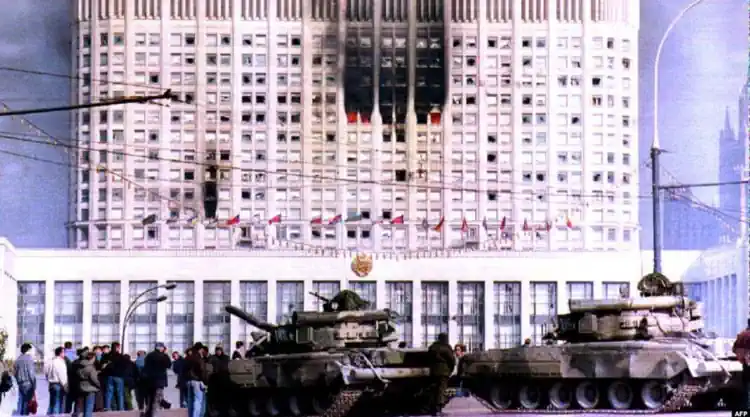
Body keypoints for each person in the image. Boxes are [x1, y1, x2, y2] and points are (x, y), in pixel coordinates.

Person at [426, 333, 455, 416]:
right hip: (444, 371)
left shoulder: (432, 347)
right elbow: (452, 360)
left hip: (433, 371)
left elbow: (428, 358)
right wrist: (450, 370)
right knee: (441, 390)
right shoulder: (446, 347)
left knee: (433, 389)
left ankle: (432, 409)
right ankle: (438, 410)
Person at [142, 342, 172, 417]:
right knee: (157, 399)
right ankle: (154, 415)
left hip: (149, 381)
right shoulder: (163, 356)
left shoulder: (149, 355)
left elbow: (145, 367)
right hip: (159, 381)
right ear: (161, 348)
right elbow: (169, 365)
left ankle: (148, 414)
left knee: (150, 399)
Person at [184, 343, 210, 417]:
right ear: (200, 349)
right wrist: (205, 381)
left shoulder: (188, 357)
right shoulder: (198, 357)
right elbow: (202, 370)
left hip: (188, 381)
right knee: (198, 401)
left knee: (190, 401)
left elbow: (183, 369)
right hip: (197, 381)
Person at [72, 351, 100, 417]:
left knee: (79, 406)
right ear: (92, 358)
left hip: (80, 387)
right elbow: (94, 379)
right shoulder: (90, 367)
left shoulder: (78, 365)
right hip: (90, 389)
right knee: (88, 408)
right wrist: (99, 385)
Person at [103, 342, 128, 411]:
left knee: (109, 393)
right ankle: (121, 408)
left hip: (109, 376)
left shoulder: (106, 356)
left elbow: (103, 366)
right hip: (119, 376)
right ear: (117, 347)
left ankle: (107, 408)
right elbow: (125, 366)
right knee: (120, 393)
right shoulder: (120, 356)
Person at [13, 343, 36, 416]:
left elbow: (15, 373)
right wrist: (34, 385)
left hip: (20, 384)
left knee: (21, 402)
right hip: (28, 384)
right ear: (28, 350)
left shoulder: (17, 359)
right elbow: (31, 373)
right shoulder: (29, 359)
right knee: (27, 403)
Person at [45, 346, 69, 415]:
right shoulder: (60, 362)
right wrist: (65, 386)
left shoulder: (50, 361)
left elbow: (46, 372)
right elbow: (62, 375)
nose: (64, 354)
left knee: (51, 403)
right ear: (60, 353)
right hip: (58, 384)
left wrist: (48, 379)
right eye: (64, 352)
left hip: (51, 384)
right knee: (58, 403)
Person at [733, 319, 750, 408]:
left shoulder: (742, 334)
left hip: (745, 364)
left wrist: (742, 356)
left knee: (746, 386)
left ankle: (746, 406)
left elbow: (734, 349)